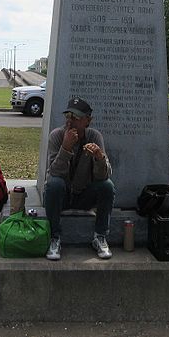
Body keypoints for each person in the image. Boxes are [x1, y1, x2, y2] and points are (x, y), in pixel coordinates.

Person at [43, 97, 115, 260]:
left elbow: (103, 176)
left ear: (88, 120)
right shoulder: (57, 136)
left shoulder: (94, 137)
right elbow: (54, 172)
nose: (70, 121)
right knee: (54, 184)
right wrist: (66, 148)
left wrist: (99, 158)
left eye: (76, 117)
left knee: (107, 186)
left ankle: (100, 236)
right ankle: (54, 237)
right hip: (61, 197)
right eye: (68, 116)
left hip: (84, 196)